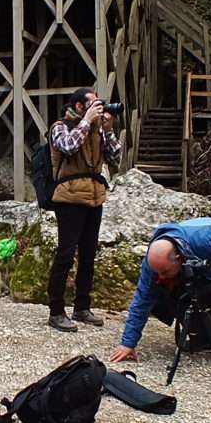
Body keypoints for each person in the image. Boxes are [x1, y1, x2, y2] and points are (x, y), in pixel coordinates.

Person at [109, 217, 211, 369]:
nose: (160, 276)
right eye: (158, 272)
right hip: (202, 273)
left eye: (165, 272)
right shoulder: (153, 263)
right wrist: (128, 344)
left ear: (178, 258)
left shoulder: (209, 238)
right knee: (169, 294)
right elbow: (141, 300)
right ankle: (205, 339)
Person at [46, 88, 122, 332]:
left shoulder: (98, 129)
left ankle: (82, 306)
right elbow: (68, 146)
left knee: (89, 254)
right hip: (68, 197)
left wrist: (108, 130)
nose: (100, 107)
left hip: (94, 196)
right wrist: (87, 121)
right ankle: (56, 311)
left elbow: (115, 159)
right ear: (79, 106)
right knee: (65, 254)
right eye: (93, 103)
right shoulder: (61, 126)